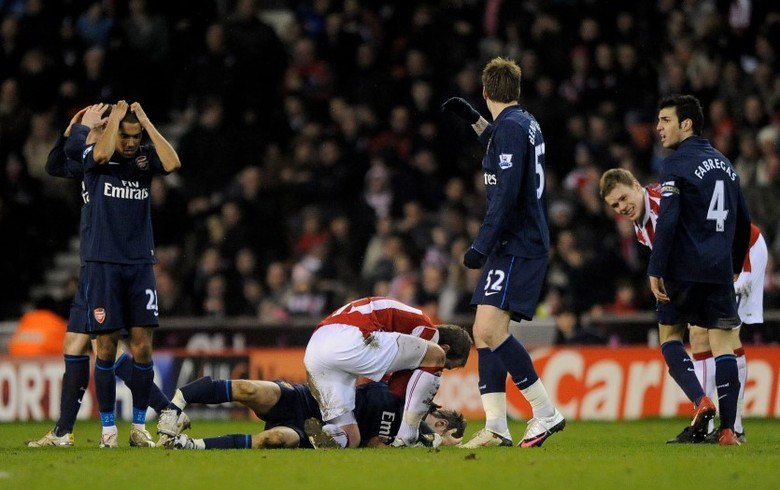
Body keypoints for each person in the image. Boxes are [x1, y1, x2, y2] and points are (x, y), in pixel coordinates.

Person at [28, 104, 174, 448]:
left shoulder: (112, 154)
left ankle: (153, 410)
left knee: (91, 344)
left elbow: (163, 161)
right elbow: (53, 164)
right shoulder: (87, 155)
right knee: (82, 343)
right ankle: (69, 431)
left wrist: (89, 127)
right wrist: (75, 127)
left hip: (109, 260)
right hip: (95, 261)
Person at [442, 57, 564, 448]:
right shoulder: (523, 123)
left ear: (485, 90)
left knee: (491, 330)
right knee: (484, 332)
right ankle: (496, 424)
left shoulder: (511, 128)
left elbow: (508, 192)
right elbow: (501, 146)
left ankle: (545, 412)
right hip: (516, 241)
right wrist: (477, 121)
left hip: (517, 240)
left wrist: (482, 243)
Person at [600, 167, 764, 444]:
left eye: (624, 198)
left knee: (723, 334)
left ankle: (733, 427)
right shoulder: (641, 220)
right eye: (615, 205)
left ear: (636, 185)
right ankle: (705, 417)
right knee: (698, 337)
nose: (622, 207)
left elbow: (704, 236)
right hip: (704, 264)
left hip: (740, 252)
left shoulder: (663, 206)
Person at [647, 94, 751, 446]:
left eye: (665, 120)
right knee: (724, 346)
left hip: (684, 269)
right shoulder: (727, 165)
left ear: (686, 123)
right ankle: (727, 431)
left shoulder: (675, 163)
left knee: (670, 336)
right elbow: (743, 221)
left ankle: (700, 401)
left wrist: (655, 267)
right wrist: (733, 266)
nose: (658, 128)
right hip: (719, 270)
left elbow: (669, 218)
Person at [299, 296, 472, 448]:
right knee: (435, 355)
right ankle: (408, 437)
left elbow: (395, 389)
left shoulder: (409, 333)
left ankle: (329, 436)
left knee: (351, 437)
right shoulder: (429, 331)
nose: (440, 370)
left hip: (316, 348)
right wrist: (430, 434)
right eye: (446, 366)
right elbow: (399, 391)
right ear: (446, 347)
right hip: (351, 336)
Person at [156, 375, 466, 450]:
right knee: (249, 390)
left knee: (273, 439)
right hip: (310, 402)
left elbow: (374, 447)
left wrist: (431, 441)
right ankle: (175, 406)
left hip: (316, 431)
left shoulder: (408, 439)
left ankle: (190, 445)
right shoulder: (410, 391)